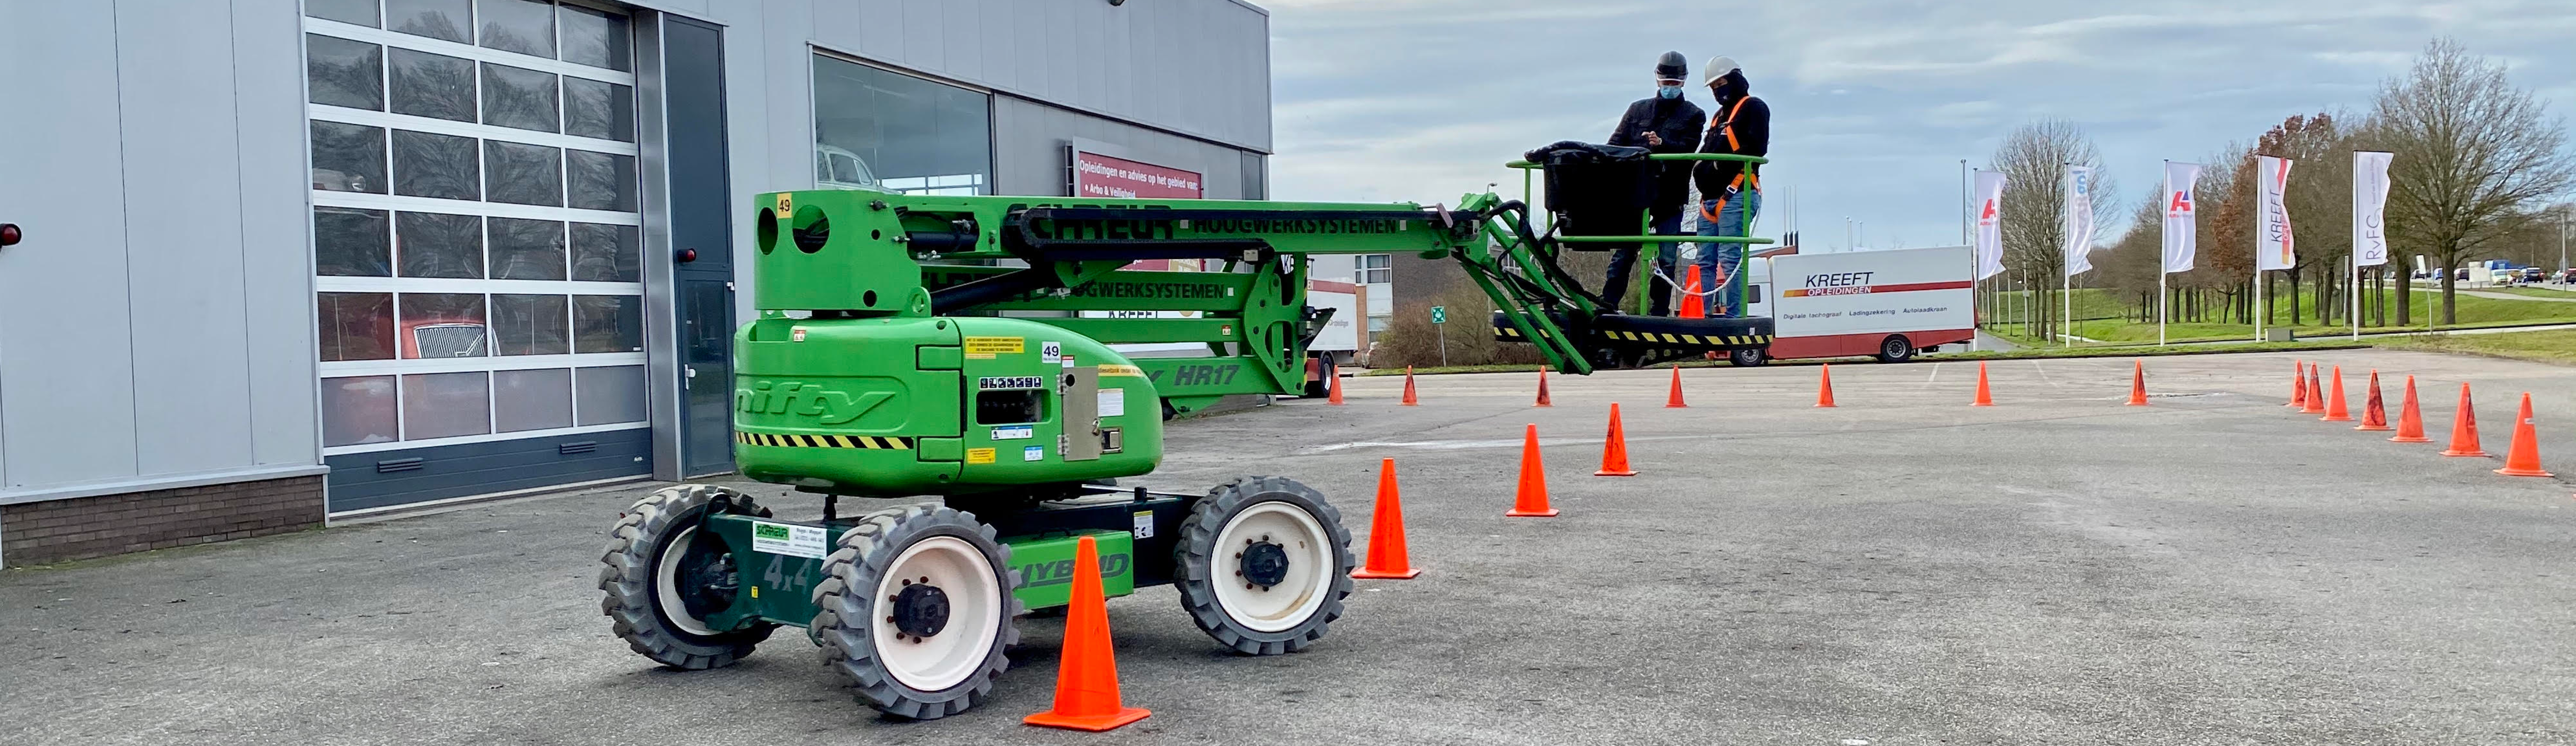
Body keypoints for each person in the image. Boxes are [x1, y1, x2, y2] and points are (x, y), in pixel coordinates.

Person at [1599, 51, 1705, 316]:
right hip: (1636, 194)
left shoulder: (1694, 115)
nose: (1670, 87)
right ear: (1657, 79)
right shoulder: (1637, 110)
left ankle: (1659, 311)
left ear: (1684, 82)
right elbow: (1615, 144)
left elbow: (1689, 151)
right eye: (1666, 82)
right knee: (1625, 252)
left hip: (1670, 195)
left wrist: (1663, 145)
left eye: (1675, 83)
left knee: (1668, 256)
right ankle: (1608, 303)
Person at [1690, 56, 1769, 317]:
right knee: (1705, 261)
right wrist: (1701, 169)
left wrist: (1717, 168)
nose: (1718, 91)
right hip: (1708, 202)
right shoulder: (1718, 118)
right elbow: (1706, 150)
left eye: (1721, 84)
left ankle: (1735, 316)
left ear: (1735, 79)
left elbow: (1756, 150)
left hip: (1736, 194)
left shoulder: (1753, 108)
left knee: (1731, 257)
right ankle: (1703, 314)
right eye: (1713, 88)